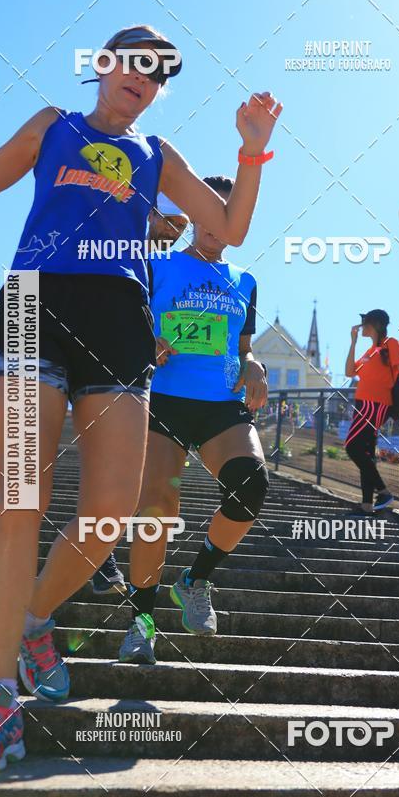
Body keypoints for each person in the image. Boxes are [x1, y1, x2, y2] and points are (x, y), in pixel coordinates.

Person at [0, 23, 281, 772]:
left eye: (161, 74)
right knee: (20, 500)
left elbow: (231, 227)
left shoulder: (160, 156)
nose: (147, 78)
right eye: (136, 62)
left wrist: (252, 146)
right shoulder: (52, 126)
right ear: (102, 65)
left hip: (120, 322)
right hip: (33, 306)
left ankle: (33, 621)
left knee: (112, 513)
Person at [118, 176, 269, 665]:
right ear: (194, 213)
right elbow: (123, 319)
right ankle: (142, 623)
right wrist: (146, 340)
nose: (216, 225)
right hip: (162, 398)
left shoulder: (244, 282)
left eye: (230, 215)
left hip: (220, 403)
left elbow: (243, 349)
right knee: (157, 506)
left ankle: (195, 578)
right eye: (210, 211)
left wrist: (255, 366)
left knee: (251, 484)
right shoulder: (156, 263)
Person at [91, 193, 190, 595]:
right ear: (150, 215)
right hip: (105, 374)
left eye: (182, 226)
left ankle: (104, 556)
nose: (175, 231)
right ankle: (102, 557)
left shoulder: (172, 267)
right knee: (113, 468)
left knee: (132, 472)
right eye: (170, 221)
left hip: (149, 382)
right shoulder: (120, 251)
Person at [344, 309, 399, 514]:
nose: (361, 327)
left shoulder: (391, 344)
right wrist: (353, 342)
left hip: (374, 405)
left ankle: (384, 491)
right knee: (366, 453)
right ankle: (367, 505)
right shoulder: (369, 351)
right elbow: (349, 372)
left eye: (365, 323)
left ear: (375, 325)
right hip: (363, 404)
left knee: (352, 447)